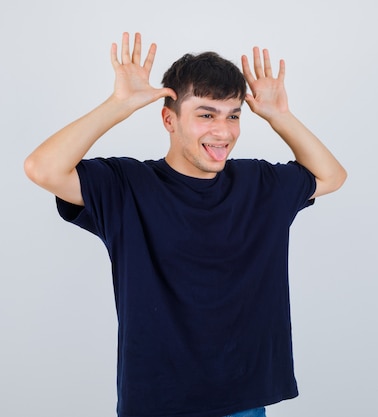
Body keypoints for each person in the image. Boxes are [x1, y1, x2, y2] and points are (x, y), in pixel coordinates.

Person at [24, 32, 346, 417]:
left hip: (241, 401)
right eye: (206, 114)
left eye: (233, 115)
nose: (223, 132)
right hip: (157, 403)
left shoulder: (258, 184)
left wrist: (280, 116)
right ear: (169, 119)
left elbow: (331, 176)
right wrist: (118, 105)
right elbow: (42, 168)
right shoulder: (127, 186)